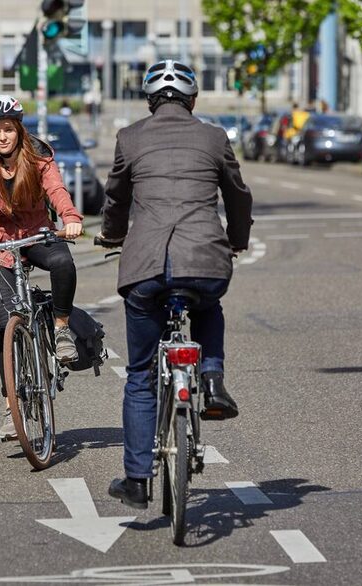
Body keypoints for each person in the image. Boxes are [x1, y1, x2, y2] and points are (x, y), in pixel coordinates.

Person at [95, 60, 253, 509]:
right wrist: (236, 241)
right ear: (193, 101)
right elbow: (238, 196)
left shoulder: (130, 137)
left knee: (141, 376)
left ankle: (138, 480)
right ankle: (213, 378)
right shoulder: (214, 137)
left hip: (145, 267)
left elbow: (117, 197)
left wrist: (111, 235)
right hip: (205, 259)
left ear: (149, 102)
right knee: (207, 305)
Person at [0, 94, 84, 441]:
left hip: (37, 234)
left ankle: (62, 328)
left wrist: (69, 217)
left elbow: (57, 191)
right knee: (7, 326)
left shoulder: (39, 158)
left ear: (19, 130)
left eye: (7, 129)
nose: (2, 137)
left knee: (63, 262)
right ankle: (12, 408)